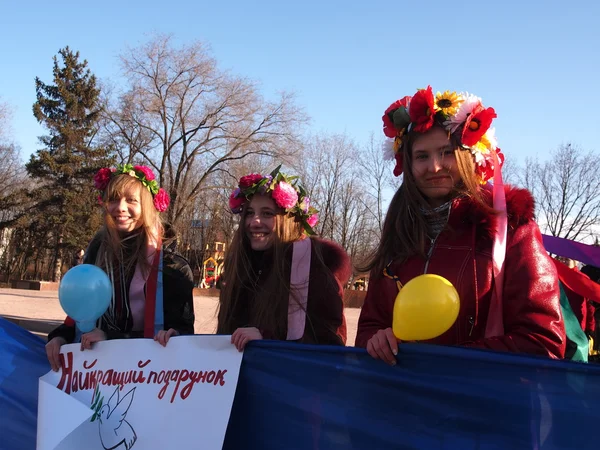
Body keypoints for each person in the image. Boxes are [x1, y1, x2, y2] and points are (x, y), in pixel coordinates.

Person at [355, 87, 566, 364]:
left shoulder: (508, 226)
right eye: (422, 156)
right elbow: (369, 327)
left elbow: (543, 341)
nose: (434, 167)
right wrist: (377, 340)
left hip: (482, 401)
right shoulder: (400, 228)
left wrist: (450, 363)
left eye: (447, 152)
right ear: (407, 163)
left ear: (470, 157)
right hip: (405, 400)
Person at [46, 164, 195, 371]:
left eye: (131, 200)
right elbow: (82, 312)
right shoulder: (97, 251)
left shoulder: (172, 266)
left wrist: (111, 338)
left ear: (148, 205)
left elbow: (182, 335)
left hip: (146, 373)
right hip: (94, 370)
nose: (120, 208)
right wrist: (60, 337)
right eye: (113, 199)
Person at [217, 166, 351, 351]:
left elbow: (330, 344)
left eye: (267, 213)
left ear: (288, 221)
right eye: (249, 213)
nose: (254, 221)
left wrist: (266, 339)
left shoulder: (313, 269)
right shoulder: (240, 268)